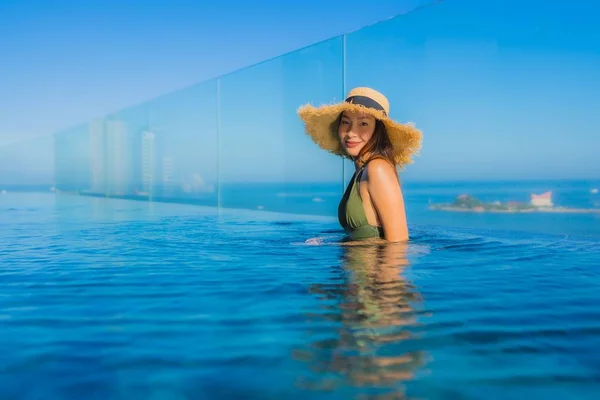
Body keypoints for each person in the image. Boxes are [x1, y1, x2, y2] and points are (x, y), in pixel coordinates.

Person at [297, 87, 422, 243]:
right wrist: (327, 241)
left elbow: (399, 243)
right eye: (345, 122)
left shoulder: (378, 169)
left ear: (378, 130)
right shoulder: (362, 170)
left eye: (363, 123)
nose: (350, 132)